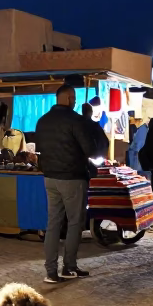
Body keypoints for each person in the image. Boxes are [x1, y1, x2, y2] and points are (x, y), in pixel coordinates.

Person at [36, 85, 96, 283]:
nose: (76, 101)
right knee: (74, 223)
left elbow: (40, 150)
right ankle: (69, 267)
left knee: (53, 224)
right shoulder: (75, 120)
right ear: (70, 98)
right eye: (75, 98)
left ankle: (50, 271)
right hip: (72, 178)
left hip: (50, 178)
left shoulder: (42, 121)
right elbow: (90, 149)